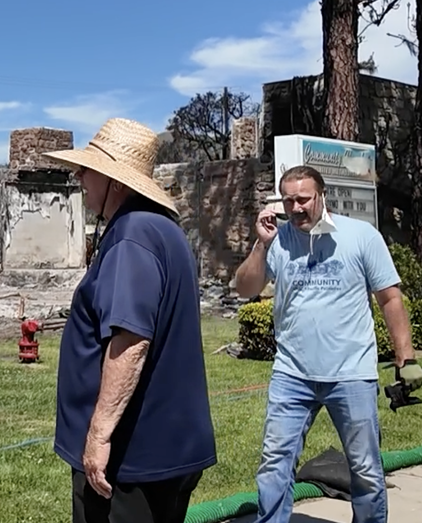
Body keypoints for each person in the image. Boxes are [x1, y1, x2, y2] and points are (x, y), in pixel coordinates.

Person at [42, 118, 217, 523]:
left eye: (88, 169)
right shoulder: (163, 230)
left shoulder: (132, 235)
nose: (79, 176)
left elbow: (131, 339)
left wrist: (99, 435)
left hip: (130, 459)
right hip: (166, 448)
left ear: (115, 181)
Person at [234, 165, 422, 523]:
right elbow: (245, 288)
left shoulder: (361, 236)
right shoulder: (278, 240)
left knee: (365, 468)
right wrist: (261, 244)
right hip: (292, 374)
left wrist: (406, 357)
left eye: (303, 199)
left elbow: (390, 298)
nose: (296, 208)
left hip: (351, 373)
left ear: (322, 196)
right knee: (275, 464)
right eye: (288, 201)